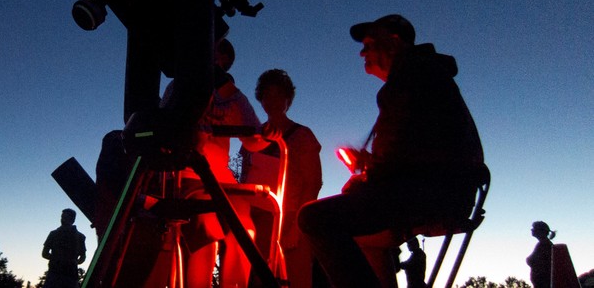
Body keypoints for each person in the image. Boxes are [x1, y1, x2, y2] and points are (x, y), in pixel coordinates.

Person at [297, 14, 485, 288]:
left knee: (313, 217)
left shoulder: (408, 80)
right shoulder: (426, 75)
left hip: (431, 193)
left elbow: (393, 161)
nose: (362, 51)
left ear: (394, 43)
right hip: (449, 188)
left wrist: (365, 175)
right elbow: (410, 150)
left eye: (370, 43)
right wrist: (371, 166)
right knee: (362, 231)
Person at [169, 38, 261, 288]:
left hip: (221, 177)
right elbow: (165, 127)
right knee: (207, 237)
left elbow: (253, 139)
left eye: (219, 62)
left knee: (246, 233)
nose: (214, 65)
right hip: (188, 174)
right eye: (211, 58)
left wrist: (269, 134)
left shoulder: (232, 95)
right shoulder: (178, 88)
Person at [239, 69, 322, 288]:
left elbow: (313, 183)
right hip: (257, 220)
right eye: (268, 95)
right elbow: (244, 178)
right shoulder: (252, 138)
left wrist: (296, 226)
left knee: (296, 279)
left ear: (288, 100)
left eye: (279, 95)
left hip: (291, 219)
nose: (273, 101)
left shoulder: (303, 136)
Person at [42, 208, 86, 288]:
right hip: (54, 274)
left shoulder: (80, 237)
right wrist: (57, 259)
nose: (62, 220)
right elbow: (44, 253)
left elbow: (83, 256)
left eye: (66, 218)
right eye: (62, 217)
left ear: (72, 220)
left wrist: (74, 262)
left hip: (70, 275)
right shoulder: (53, 234)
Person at [526, 221, 556, 288]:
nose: (531, 230)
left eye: (533, 228)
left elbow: (535, 261)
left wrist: (528, 260)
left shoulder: (544, 244)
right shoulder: (544, 244)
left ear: (540, 231)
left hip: (543, 283)